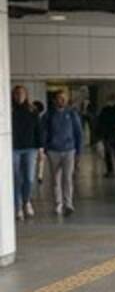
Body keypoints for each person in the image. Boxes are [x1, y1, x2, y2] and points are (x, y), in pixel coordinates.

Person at [43, 90, 83, 218]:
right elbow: (44, 131)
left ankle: (68, 204)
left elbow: (78, 133)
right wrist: (45, 148)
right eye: (59, 98)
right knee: (55, 179)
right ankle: (58, 203)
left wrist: (79, 151)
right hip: (53, 150)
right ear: (55, 100)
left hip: (69, 150)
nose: (62, 100)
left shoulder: (72, 114)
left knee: (67, 178)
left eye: (64, 98)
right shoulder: (49, 115)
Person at [11, 85, 42, 221]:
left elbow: (38, 129)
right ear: (13, 95)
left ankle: (26, 201)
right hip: (14, 149)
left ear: (26, 95)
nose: (19, 96)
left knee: (29, 178)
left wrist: (41, 147)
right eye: (17, 94)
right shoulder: (9, 110)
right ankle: (18, 207)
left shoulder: (32, 110)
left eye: (22, 93)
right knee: (16, 179)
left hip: (30, 148)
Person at [96, 95, 115, 177]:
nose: (110, 101)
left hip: (114, 135)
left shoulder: (114, 110)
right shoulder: (114, 110)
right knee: (111, 154)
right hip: (111, 135)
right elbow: (100, 123)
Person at [32, 100, 45, 185]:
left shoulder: (37, 118)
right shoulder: (40, 118)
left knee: (39, 159)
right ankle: (40, 175)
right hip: (39, 143)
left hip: (38, 142)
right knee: (41, 160)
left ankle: (39, 175)